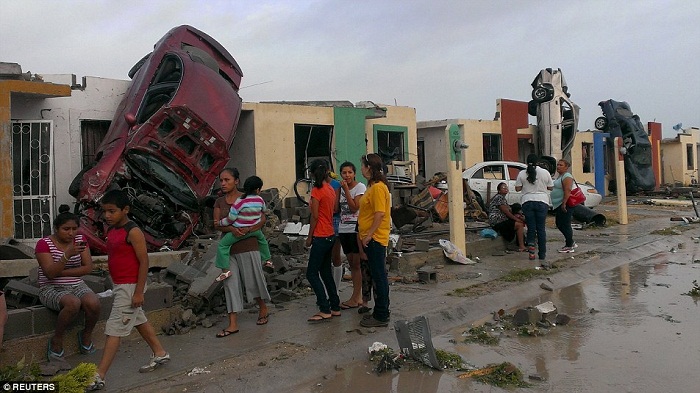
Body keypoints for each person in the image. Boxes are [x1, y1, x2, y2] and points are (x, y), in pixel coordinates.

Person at [88, 190, 170, 391]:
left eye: (112, 211)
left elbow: (144, 261)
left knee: (114, 329)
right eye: (105, 211)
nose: (107, 215)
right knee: (138, 319)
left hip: (130, 286)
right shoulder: (113, 230)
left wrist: (139, 292)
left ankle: (99, 375)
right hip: (120, 285)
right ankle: (159, 352)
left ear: (125, 210)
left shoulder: (133, 231)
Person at [35, 205, 100, 361]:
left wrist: (61, 272)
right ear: (56, 229)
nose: (71, 233)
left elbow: (87, 267)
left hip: (76, 284)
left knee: (94, 302)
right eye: (66, 229)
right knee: (73, 303)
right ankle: (57, 339)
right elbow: (49, 274)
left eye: (74, 228)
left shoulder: (80, 240)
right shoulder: (44, 244)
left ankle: (86, 335)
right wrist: (66, 255)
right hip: (50, 287)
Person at [213, 168, 270, 335]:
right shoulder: (219, 202)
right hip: (229, 249)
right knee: (230, 284)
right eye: (221, 180)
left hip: (248, 246)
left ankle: (263, 308)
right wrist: (231, 228)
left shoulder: (249, 198)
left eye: (227, 180)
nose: (223, 183)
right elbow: (216, 223)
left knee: (252, 281)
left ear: (237, 181)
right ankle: (233, 323)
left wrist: (250, 228)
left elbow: (263, 218)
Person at [214, 175, 271, 282]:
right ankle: (267, 260)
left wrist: (220, 222)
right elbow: (264, 211)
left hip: (238, 231)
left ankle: (225, 271)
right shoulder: (260, 200)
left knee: (222, 246)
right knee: (263, 241)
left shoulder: (240, 201)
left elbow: (231, 219)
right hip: (255, 231)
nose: (223, 183)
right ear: (258, 190)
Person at [358, 153, 392, 328]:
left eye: (363, 165)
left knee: (379, 276)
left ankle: (381, 314)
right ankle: (380, 310)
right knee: (378, 275)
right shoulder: (373, 186)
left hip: (376, 239)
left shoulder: (378, 188)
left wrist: (370, 234)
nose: (361, 169)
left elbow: (380, 213)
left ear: (369, 167)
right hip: (371, 237)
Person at [305, 159, 341, 322]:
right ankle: (335, 306)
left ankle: (324, 307)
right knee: (326, 272)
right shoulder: (330, 189)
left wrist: (309, 236)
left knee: (311, 273)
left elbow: (315, 216)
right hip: (331, 234)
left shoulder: (316, 191)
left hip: (320, 234)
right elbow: (333, 210)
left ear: (312, 174)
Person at [337, 161, 367, 309]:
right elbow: (337, 208)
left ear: (354, 173)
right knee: (352, 264)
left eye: (350, 172)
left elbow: (354, 208)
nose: (347, 175)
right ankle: (357, 296)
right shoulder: (341, 189)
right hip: (343, 229)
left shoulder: (360, 187)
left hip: (355, 229)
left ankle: (357, 297)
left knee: (357, 264)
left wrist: (346, 190)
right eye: (344, 173)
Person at [515, 154, 553, 263]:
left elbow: (517, 188)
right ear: (538, 161)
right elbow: (550, 187)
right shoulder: (545, 172)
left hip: (527, 201)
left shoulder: (522, 173)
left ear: (526, 161)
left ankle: (531, 252)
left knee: (531, 228)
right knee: (541, 229)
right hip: (542, 201)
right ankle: (542, 254)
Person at [488, 182, 526, 252]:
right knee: (519, 225)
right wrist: (516, 219)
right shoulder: (499, 197)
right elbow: (506, 212)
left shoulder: (503, 199)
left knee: (518, 221)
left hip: (502, 220)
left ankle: (521, 243)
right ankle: (521, 246)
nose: (506, 189)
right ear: (499, 191)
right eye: (503, 188)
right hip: (497, 221)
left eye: (506, 187)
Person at [552, 159, 578, 253]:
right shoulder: (560, 176)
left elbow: (567, 190)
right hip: (558, 204)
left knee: (564, 224)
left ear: (566, 167)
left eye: (561, 165)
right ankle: (571, 241)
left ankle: (569, 245)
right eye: (558, 165)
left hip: (565, 204)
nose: (558, 167)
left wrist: (564, 203)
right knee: (560, 223)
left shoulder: (567, 176)